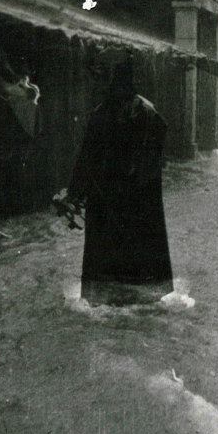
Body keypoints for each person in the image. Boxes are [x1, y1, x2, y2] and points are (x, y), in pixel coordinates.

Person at [62, 58, 173, 305]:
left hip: (113, 195)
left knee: (109, 252)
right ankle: (141, 295)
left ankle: (114, 297)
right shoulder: (146, 111)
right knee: (136, 251)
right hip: (134, 195)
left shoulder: (104, 113)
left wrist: (75, 193)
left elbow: (86, 158)